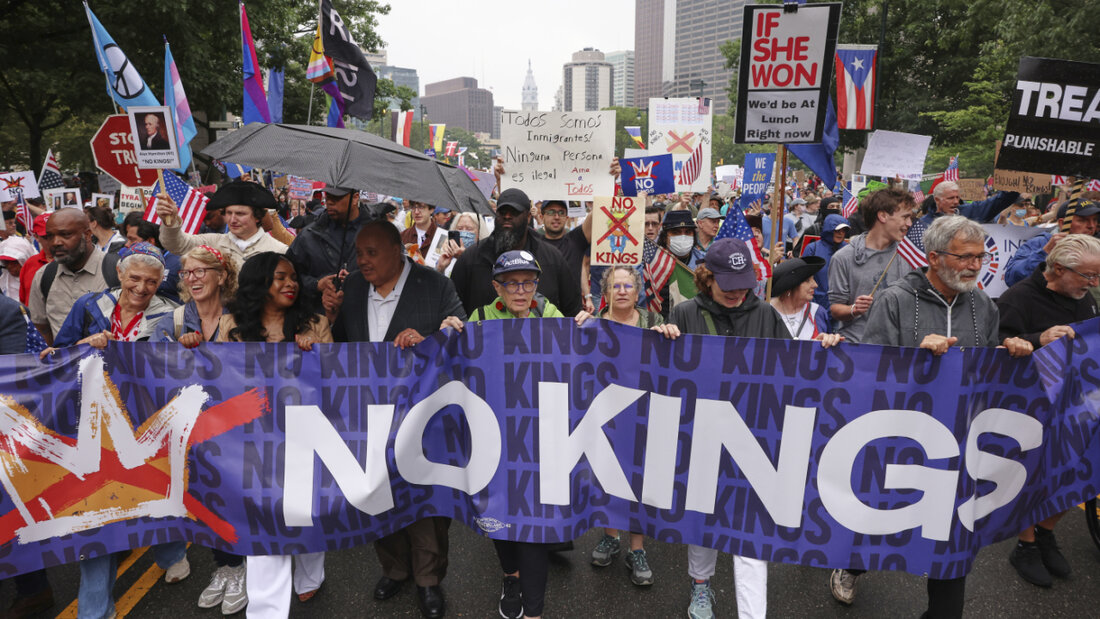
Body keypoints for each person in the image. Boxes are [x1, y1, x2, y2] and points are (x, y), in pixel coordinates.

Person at [839, 216, 1033, 619]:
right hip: (901, 437)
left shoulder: (983, 304)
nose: (975, 266)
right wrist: (915, 356)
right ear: (933, 258)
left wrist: (1011, 351)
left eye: (980, 257)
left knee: (951, 540)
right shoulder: (894, 301)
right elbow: (872, 370)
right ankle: (852, 566)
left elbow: (987, 367)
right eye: (965, 257)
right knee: (883, 516)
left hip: (959, 443)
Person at [436, 250, 593, 619]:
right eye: (512, 284)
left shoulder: (550, 315)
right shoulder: (479, 319)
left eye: (528, 283)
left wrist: (589, 326)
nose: (521, 291)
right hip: (494, 439)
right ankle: (511, 575)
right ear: (497, 287)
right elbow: (454, 363)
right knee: (497, 513)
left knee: (534, 523)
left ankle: (534, 610)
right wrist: (447, 333)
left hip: (540, 440)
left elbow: (581, 354)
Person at [322, 220, 465, 619]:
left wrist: (429, 340)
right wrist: (329, 316)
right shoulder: (351, 288)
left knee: (424, 500)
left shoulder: (435, 285)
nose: (362, 261)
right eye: (359, 253)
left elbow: (461, 335)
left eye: (371, 253)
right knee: (377, 494)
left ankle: (428, 579)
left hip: (422, 417)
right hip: (366, 414)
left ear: (396, 251)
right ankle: (395, 569)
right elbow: (338, 347)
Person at [41, 243, 186, 619]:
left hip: (147, 421)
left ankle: (171, 551)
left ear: (160, 282)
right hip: (94, 423)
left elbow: (183, 370)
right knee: (96, 509)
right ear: (119, 274)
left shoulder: (171, 313)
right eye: (134, 278)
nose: (141, 287)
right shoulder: (89, 305)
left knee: (154, 493)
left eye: (151, 281)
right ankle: (94, 609)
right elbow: (61, 354)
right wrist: (84, 344)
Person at [665, 238, 791, 619]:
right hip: (701, 434)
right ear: (707, 278)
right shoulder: (685, 313)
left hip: (754, 437)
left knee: (750, 531)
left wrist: (825, 348)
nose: (738, 293)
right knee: (703, 518)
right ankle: (700, 584)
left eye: (744, 285)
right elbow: (666, 375)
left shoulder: (766, 315)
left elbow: (795, 368)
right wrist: (660, 342)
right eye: (728, 286)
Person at [215, 252, 329, 618]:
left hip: (305, 436)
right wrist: (192, 349)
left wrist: (317, 355)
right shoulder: (231, 325)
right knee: (264, 525)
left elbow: (337, 381)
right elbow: (218, 377)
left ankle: (310, 574)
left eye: (293, 277)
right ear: (259, 282)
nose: (291, 284)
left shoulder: (316, 323)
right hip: (253, 441)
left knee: (306, 513)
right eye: (281, 277)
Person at [997, 233, 1100, 588]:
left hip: (1078, 406)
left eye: (1098, 275)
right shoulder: (1018, 298)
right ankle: (1025, 545)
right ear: (1058, 269)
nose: (1093, 283)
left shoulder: (1085, 299)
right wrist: (1038, 339)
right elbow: (994, 351)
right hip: (1031, 407)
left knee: (1079, 471)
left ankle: (1045, 532)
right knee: (1034, 474)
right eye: (1088, 275)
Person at [581, 266, 663, 587]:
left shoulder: (653, 321)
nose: (623, 291)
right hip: (606, 412)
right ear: (605, 293)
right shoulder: (594, 324)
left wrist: (669, 334)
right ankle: (610, 536)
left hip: (644, 412)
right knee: (607, 475)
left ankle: (637, 549)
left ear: (638, 291)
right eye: (615, 286)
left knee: (637, 480)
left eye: (628, 285)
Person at [451, 188, 581, 317]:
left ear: (528, 217)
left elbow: (572, 312)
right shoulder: (470, 259)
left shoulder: (552, 258)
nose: (507, 216)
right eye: (502, 212)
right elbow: (455, 312)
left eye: (514, 212)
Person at [827, 188, 916, 344]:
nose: (909, 224)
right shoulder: (843, 258)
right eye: (905, 217)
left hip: (898, 348)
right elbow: (835, 309)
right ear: (882, 216)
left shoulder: (910, 255)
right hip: (857, 346)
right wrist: (854, 309)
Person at [156, 180, 288, 270]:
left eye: (240, 213)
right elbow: (178, 244)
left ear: (257, 217)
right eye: (228, 213)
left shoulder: (279, 251)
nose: (233, 219)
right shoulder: (213, 242)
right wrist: (170, 221)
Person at [28, 208, 109, 345]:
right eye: (50, 236)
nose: (56, 242)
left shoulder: (116, 271)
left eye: (65, 235)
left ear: (87, 235)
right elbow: (41, 328)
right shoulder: (44, 276)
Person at [285, 186, 372, 308]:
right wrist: (316, 284)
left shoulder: (378, 234)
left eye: (336, 197)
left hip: (365, 313)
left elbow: (390, 277)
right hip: (320, 314)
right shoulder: (309, 235)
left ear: (355, 198)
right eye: (328, 197)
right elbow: (289, 274)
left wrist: (360, 282)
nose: (329, 202)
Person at [1003, 199, 1100, 287]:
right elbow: (1012, 278)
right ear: (1062, 223)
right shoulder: (1042, 243)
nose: (1092, 226)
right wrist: (1045, 252)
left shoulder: (1096, 248)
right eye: (1082, 220)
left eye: (1095, 220)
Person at [905, 181, 1019, 250]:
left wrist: (1016, 184)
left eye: (957, 197)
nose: (956, 202)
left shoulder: (968, 212)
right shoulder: (923, 224)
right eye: (951, 198)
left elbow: (998, 202)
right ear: (937, 200)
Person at [768, 256, 835, 340]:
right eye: (807, 280)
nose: (815, 285)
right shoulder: (766, 312)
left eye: (813, 279)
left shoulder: (817, 312)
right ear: (790, 286)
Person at [801, 214, 850, 308]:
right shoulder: (813, 248)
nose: (840, 233)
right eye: (837, 230)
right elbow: (804, 277)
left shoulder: (848, 249)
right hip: (816, 304)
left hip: (840, 305)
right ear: (829, 230)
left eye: (844, 230)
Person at [19, 213, 51, 306]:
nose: (53, 240)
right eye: (46, 237)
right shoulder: (30, 263)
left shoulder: (74, 262)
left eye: (57, 234)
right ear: (36, 237)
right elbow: (23, 299)